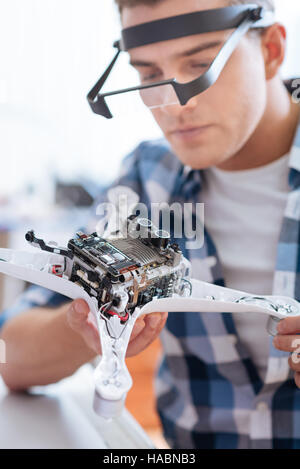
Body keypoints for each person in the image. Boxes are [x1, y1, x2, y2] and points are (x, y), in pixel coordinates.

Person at [1, 0, 300, 449]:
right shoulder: (147, 178)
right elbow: (11, 358)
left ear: (272, 50)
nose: (174, 107)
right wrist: (84, 329)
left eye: (201, 66)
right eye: (147, 74)